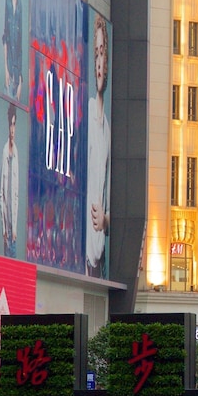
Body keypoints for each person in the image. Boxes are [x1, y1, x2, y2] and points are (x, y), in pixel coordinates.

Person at [85, 14, 111, 277]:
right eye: (96, 54)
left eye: (103, 53)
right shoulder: (88, 112)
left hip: (99, 250)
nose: (100, 61)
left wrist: (106, 220)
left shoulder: (108, 129)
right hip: (84, 250)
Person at [2, 0, 24, 100]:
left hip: (17, 74)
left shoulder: (20, 3)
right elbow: (5, 36)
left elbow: (21, 44)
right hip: (9, 72)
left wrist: (21, 78)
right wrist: (5, 68)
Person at [0, 103, 20, 258]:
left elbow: (16, 195)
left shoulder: (16, 153)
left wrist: (15, 229)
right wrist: (4, 229)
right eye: (10, 125)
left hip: (14, 231)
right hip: (7, 229)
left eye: (14, 124)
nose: (12, 129)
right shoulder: (5, 151)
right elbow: (2, 194)